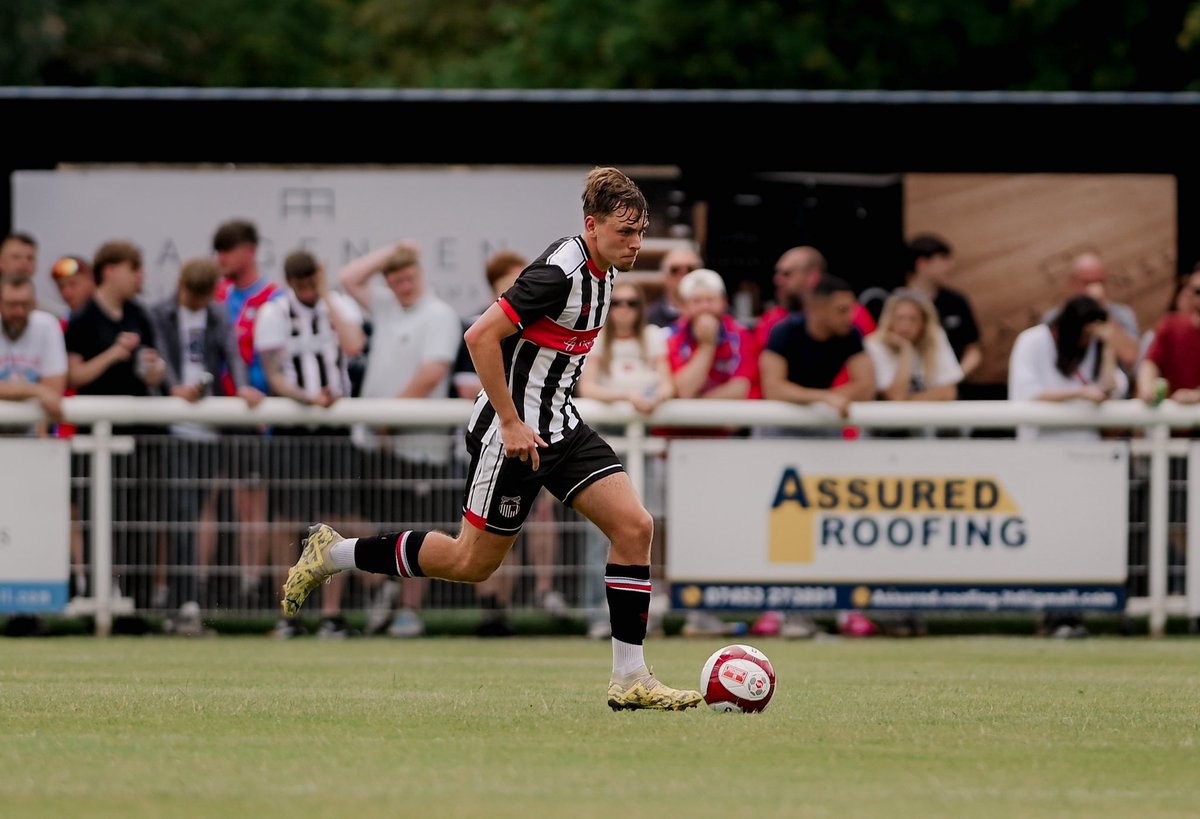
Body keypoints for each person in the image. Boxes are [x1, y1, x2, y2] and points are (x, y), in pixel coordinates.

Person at [282, 166, 703, 710]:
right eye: (625, 232)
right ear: (591, 226)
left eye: (640, 232)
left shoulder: (606, 271)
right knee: (470, 563)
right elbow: (479, 335)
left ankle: (630, 678)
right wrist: (508, 421)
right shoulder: (558, 273)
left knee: (635, 526)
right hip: (512, 436)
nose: (636, 243)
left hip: (561, 427)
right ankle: (335, 552)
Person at [338, 240, 462, 639]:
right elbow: (348, 278)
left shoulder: (440, 314)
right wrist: (392, 251)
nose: (403, 286)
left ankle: (409, 610)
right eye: (395, 279)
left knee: (418, 529)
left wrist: (389, 419)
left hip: (420, 448)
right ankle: (384, 590)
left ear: (419, 275)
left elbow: (431, 374)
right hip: (376, 444)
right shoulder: (386, 305)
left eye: (408, 277)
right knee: (372, 524)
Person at [451, 249, 569, 638]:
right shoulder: (479, 324)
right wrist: (508, 417)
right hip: (493, 437)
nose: (526, 289)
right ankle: (493, 606)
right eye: (516, 283)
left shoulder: (542, 322)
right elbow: (467, 382)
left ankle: (542, 592)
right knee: (486, 538)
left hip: (541, 437)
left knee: (538, 518)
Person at [256, 249, 366, 639]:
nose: (307, 291)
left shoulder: (339, 306)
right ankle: (289, 613)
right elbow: (274, 376)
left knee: (335, 522)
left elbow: (353, 345)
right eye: (301, 285)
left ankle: (331, 615)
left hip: (335, 428)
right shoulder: (274, 313)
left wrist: (325, 295)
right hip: (294, 428)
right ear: (290, 282)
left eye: (312, 283)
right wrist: (307, 398)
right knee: (288, 524)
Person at [148, 257, 264, 618]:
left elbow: (233, 355)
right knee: (181, 513)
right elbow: (160, 357)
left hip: (209, 429)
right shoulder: (160, 313)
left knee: (197, 512)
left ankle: (190, 596)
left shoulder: (217, 314)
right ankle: (182, 596)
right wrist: (174, 389)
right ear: (181, 285)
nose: (197, 303)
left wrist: (242, 387)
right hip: (174, 428)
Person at [64, 239, 168, 610]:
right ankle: (97, 601)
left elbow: (154, 373)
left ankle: (136, 607)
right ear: (109, 271)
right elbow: (74, 375)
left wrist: (154, 371)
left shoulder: (140, 315)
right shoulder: (83, 318)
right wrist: (113, 354)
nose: (139, 277)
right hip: (95, 436)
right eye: (133, 269)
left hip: (138, 434)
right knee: (96, 520)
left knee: (139, 520)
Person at [576, 279, 674, 639]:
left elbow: (668, 383)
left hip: (643, 445)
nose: (624, 310)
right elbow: (587, 387)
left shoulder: (653, 337)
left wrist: (655, 398)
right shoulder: (598, 337)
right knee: (598, 534)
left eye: (632, 303)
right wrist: (627, 398)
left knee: (644, 529)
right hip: (604, 443)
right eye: (617, 303)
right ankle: (598, 615)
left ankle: (644, 617)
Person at [212, 219, 280, 607]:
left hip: (257, 420)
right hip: (218, 414)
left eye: (228, 250)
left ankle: (254, 586)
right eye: (218, 251)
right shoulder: (217, 296)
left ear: (250, 251)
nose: (220, 259)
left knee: (255, 505)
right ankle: (232, 586)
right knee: (220, 504)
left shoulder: (273, 298)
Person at [1008, 294, 1127, 442]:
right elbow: (1027, 395)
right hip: (1040, 442)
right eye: (1083, 335)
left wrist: (1108, 346)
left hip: (1087, 444)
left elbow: (1111, 389)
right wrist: (1079, 393)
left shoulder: (1096, 344)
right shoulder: (1032, 340)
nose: (1086, 341)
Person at [759, 273, 875, 422]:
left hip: (825, 420)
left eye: (851, 309)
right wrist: (824, 397)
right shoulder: (784, 332)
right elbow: (773, 389)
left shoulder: (850, 335)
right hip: (780, 421)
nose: (850, 316)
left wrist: (826, 398)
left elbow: (866, 387)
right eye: (842, 309)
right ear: (818, 307)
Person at [47, 254, 95, 598]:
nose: (67, 293)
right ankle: (75, 581)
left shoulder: (100, 320)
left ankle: (92, 583)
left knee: (93, 512)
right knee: (67, 511)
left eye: (73, 284)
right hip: (61, 432)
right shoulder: (58, 326)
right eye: (62, 287)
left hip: (92, 432)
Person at [1042, 251, 1140, 387]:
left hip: (1111, 392)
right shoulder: (1055, 318)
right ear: (1072, 283)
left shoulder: (1121, 315)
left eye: (1099, 282)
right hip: (1065, 391)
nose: (1095, 289)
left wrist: (1101, 310)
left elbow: (1130, 358)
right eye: (1087, 283)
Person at [755, 245, 876, 353]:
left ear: (813, 276)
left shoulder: (852, 315)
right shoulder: (771, 320)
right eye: (777, 273)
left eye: (787, 273)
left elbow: (871, 360)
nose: (777, 280)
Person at [863, 288, 962, 412]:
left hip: (928, 417)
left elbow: (948, 393)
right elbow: (895, 396)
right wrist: (906, 352)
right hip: (890, 421)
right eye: (900, 318)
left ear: (923, 323)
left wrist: (906, 402)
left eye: (913, 319)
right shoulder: (874, 344)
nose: (905, 325)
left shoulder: (935, 337)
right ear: (890, 320)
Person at [904, 234, 983, 382]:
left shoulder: (956, 302)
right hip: (909, 386)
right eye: (943, 258)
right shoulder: (896, 303)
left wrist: (953, 378)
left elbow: (973, 350)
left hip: (952, 387)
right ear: (922, 264)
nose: (950, 266)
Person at [0, 275, 67, 430]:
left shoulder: (48, 324)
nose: (19, 311)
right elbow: (46, 393)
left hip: (34, 432)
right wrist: (37, 391)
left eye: (25, 304)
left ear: (35, 304)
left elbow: (54, 387)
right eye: (12, 305)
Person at [645, 245, 702, 328]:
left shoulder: (716, 314)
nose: (683, 275)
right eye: (675, 270)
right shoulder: (649, 318)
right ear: (664, 276)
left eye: (690, 269)